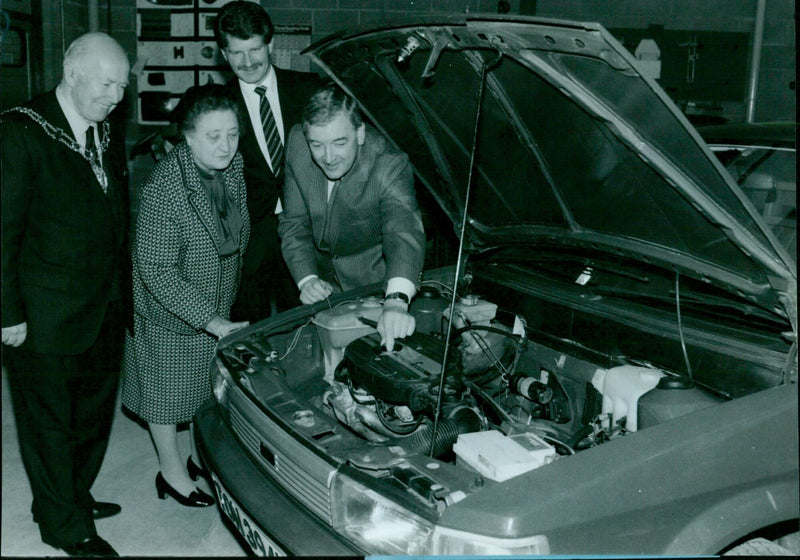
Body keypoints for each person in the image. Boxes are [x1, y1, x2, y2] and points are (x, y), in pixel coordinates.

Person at [1, 32, 131, 557]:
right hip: (43, 314)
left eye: (123, 86)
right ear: (72, 74)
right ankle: (62, 524)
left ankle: (72, 494)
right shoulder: (19, 132)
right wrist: (6, 312)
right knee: (49, 425)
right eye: (107, 84)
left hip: (99, 307)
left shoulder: (103, 127)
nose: (117, 97)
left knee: (93, 414)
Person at [121, 85, 250, 509]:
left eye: (232, 133)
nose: (225, 146)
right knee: (166, 395)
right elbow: (156, 270)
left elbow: (233, 232)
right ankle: (171, 471)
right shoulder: (164, 190)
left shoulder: (232, 166)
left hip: (215, 300)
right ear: (187, 137)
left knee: (202, 390)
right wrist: (210, 320)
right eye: (213, 136)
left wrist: (221, 308)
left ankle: (195, 457)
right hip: (169, 312)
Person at [279, 84, 426, 351]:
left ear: (359, 134)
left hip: (373, 291)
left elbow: (403, 231)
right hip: (318, 294)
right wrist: (306, 278)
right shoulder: (297, 144)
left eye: (339, 142)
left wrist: (395, 300)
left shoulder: (388, 162)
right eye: (317, 144)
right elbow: (294, 224)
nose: (329, 157)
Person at [214, 0, 322, 323]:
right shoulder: (218, 105)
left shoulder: (308, 90)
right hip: (249, 242)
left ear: (270, 44)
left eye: (255, 50)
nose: (247, 62)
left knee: (305, 326)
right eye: (237, 53)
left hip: (305, 235)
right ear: (224, 54)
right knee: (250, 335)